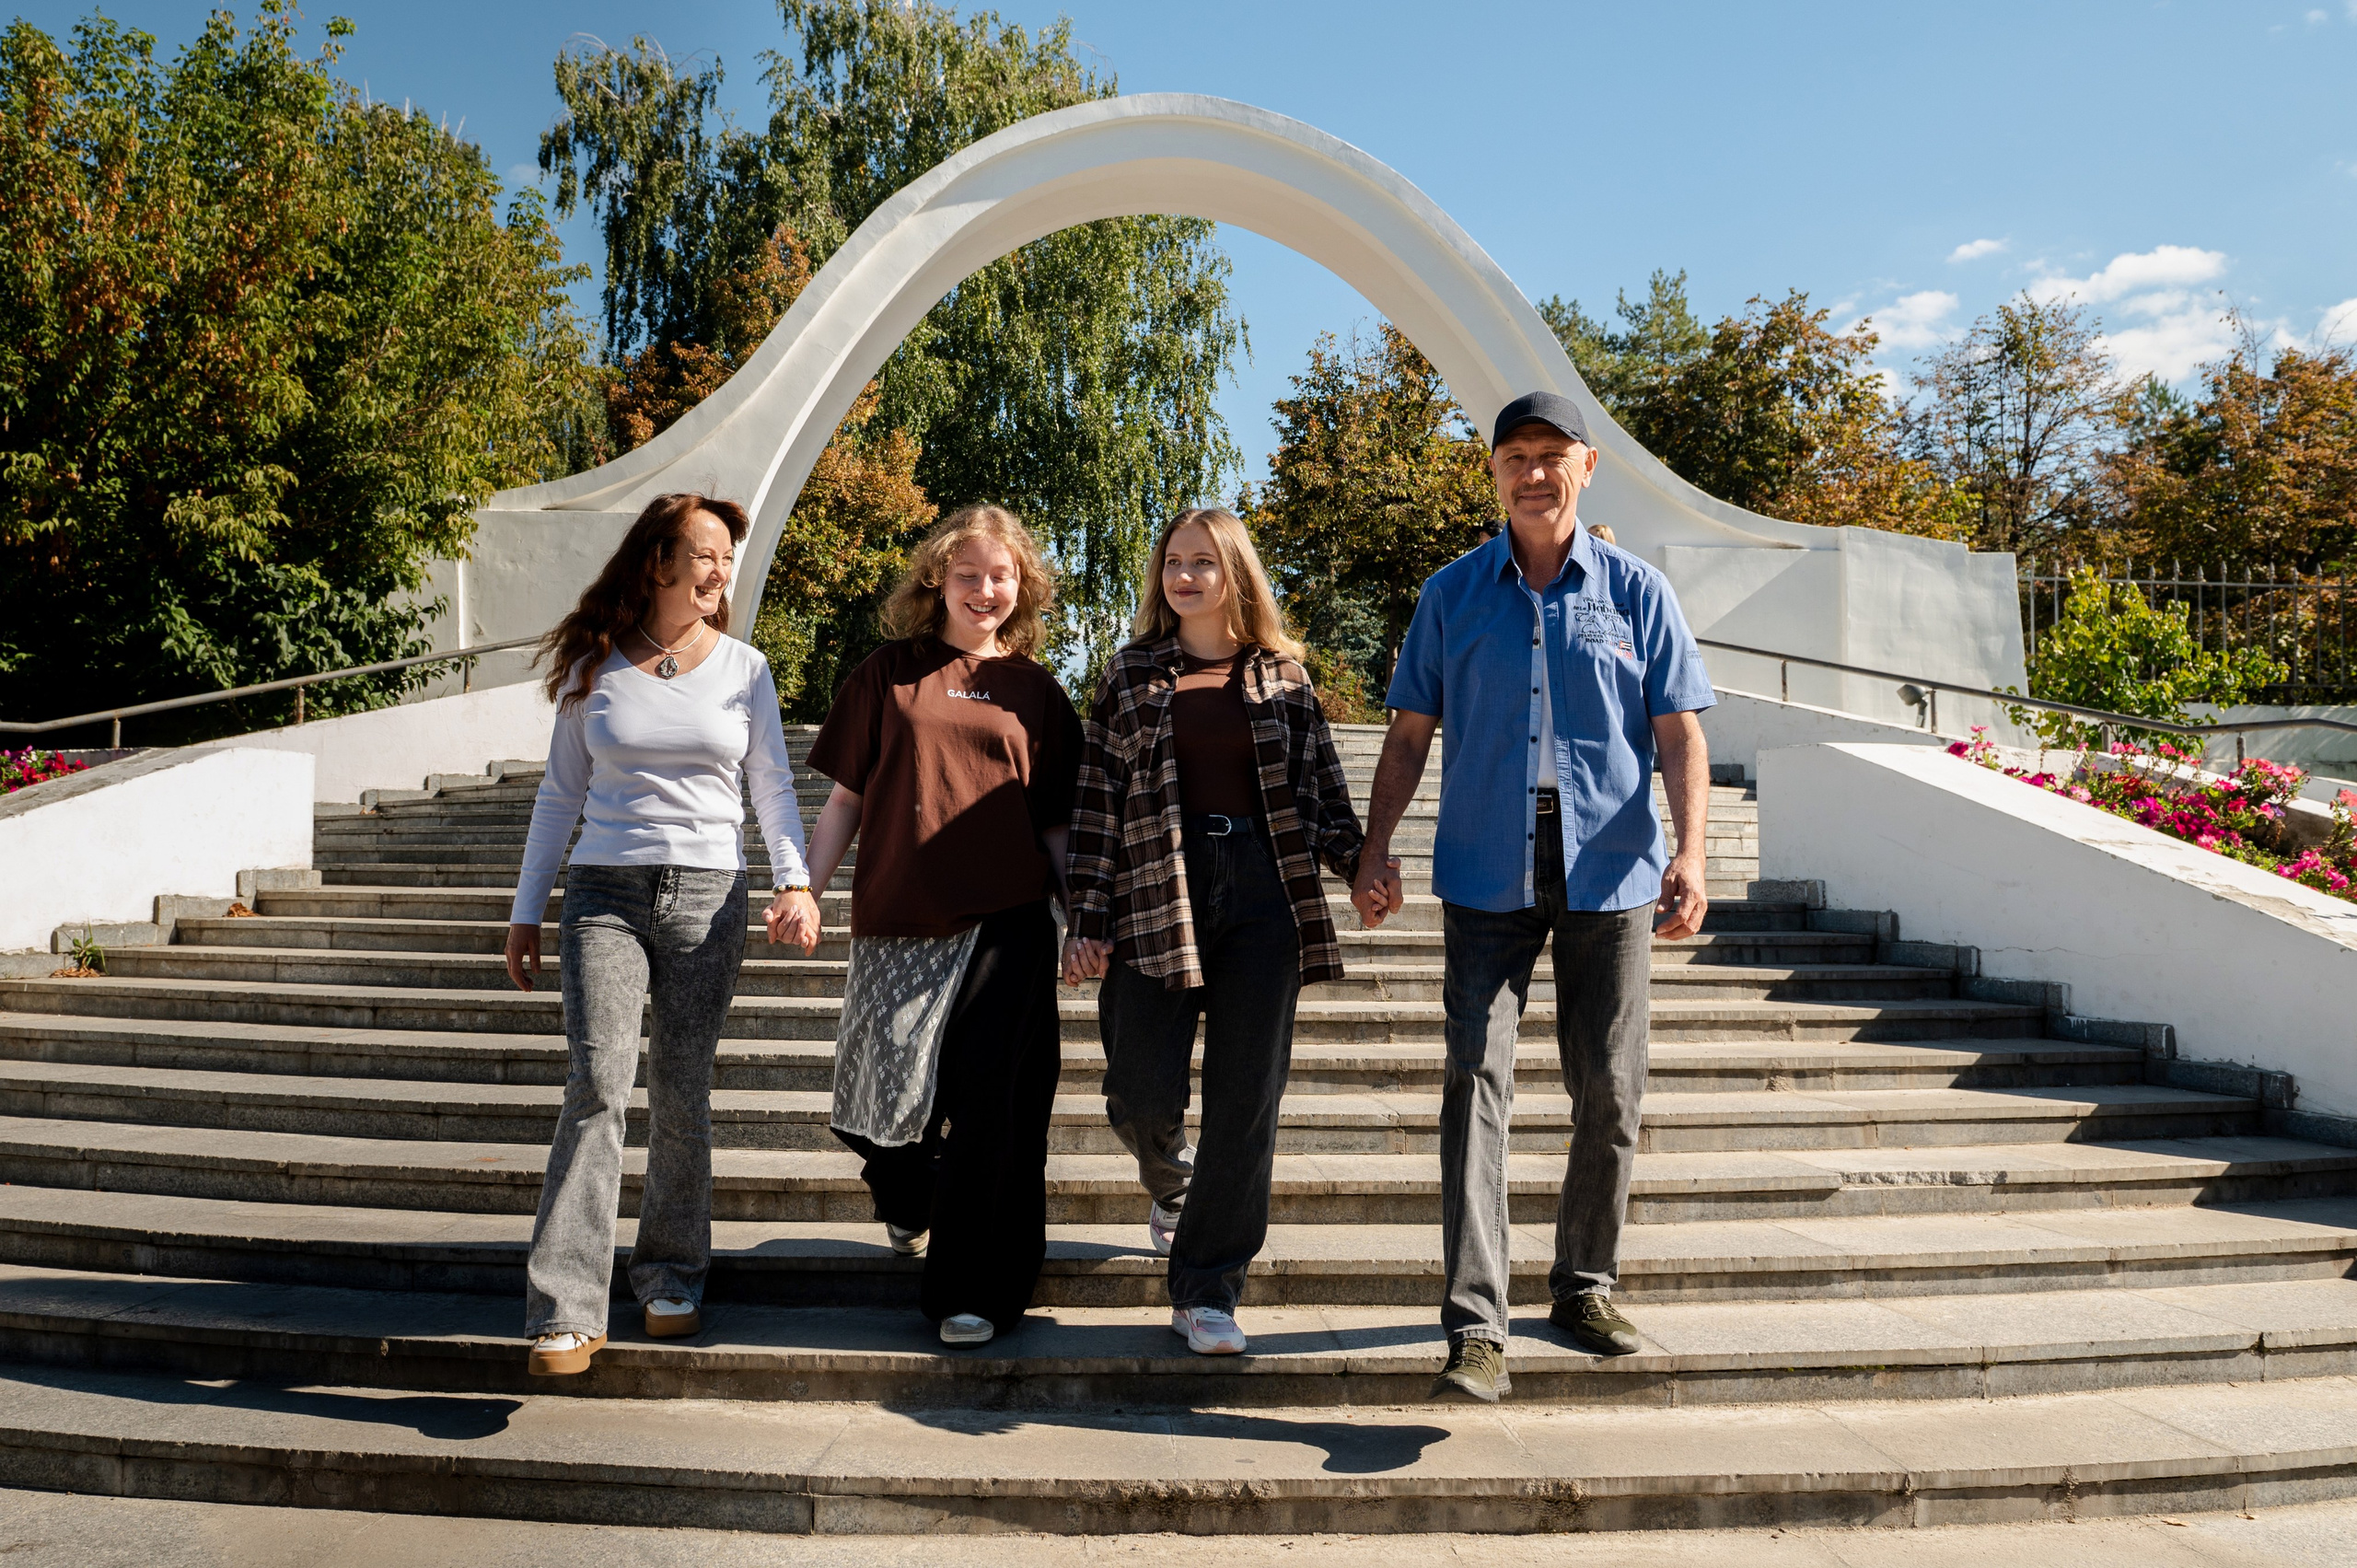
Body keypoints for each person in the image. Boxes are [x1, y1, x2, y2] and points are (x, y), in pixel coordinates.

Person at [1352, 390, 1716, 1403]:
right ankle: (1476, 1324)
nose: (1533, 472)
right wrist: (1374, 847)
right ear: (1495, 471)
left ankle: (1584, 1283)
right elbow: (1408, 734)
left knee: (1609, 1085)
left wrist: (1694, 853)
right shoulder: (1451, 594)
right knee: (1475, 1081)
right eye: (1514, 455)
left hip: (1612, 866)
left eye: (1551, 455)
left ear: (1586, 468)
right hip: (1484, 868)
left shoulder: (1639, 592)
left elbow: (1681, 732)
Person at [505, 492, 822, 1378]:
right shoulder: (594, 663)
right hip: (604, 891)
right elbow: (559, 795)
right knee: (599, 1085)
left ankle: (672, 1273)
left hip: (710, 894)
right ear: (660, 563)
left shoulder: (745, 669)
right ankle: (566, 1307)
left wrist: (795, 879)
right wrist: (527, 909)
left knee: (682, 1089)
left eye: (728, 557)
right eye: (707, 554)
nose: (722, 572)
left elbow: (771, 785)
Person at [1062, 507, 1372, 1357]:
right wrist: (1084, 918)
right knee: (1138, 1090)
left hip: (1264, 899)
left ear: (1237, 572)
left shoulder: (1285, 679)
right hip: (1157, 890)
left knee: (1246, 1101)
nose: (1186, 576)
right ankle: (1171, 1183)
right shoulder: (1129, 677)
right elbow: (1093, 807)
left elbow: (1324, 798)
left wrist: (1362, 867)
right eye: (1174, 562)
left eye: (1204, 562)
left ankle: (1207, 1288)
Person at [802, 505, 1082, 1348]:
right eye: (969, 574)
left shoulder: (1037, 691)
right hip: (900, 920)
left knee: (989, 1110)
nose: (985, 590)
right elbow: (844, 798)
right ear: (937, 580)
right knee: (874, 1108)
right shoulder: (888, 673)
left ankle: (972, 1291)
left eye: (1002, 576)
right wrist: (804, 888)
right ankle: (904, 1196)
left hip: (1008, 924)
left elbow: (1058, 825)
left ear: (1020, 587)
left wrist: (1086, 921)